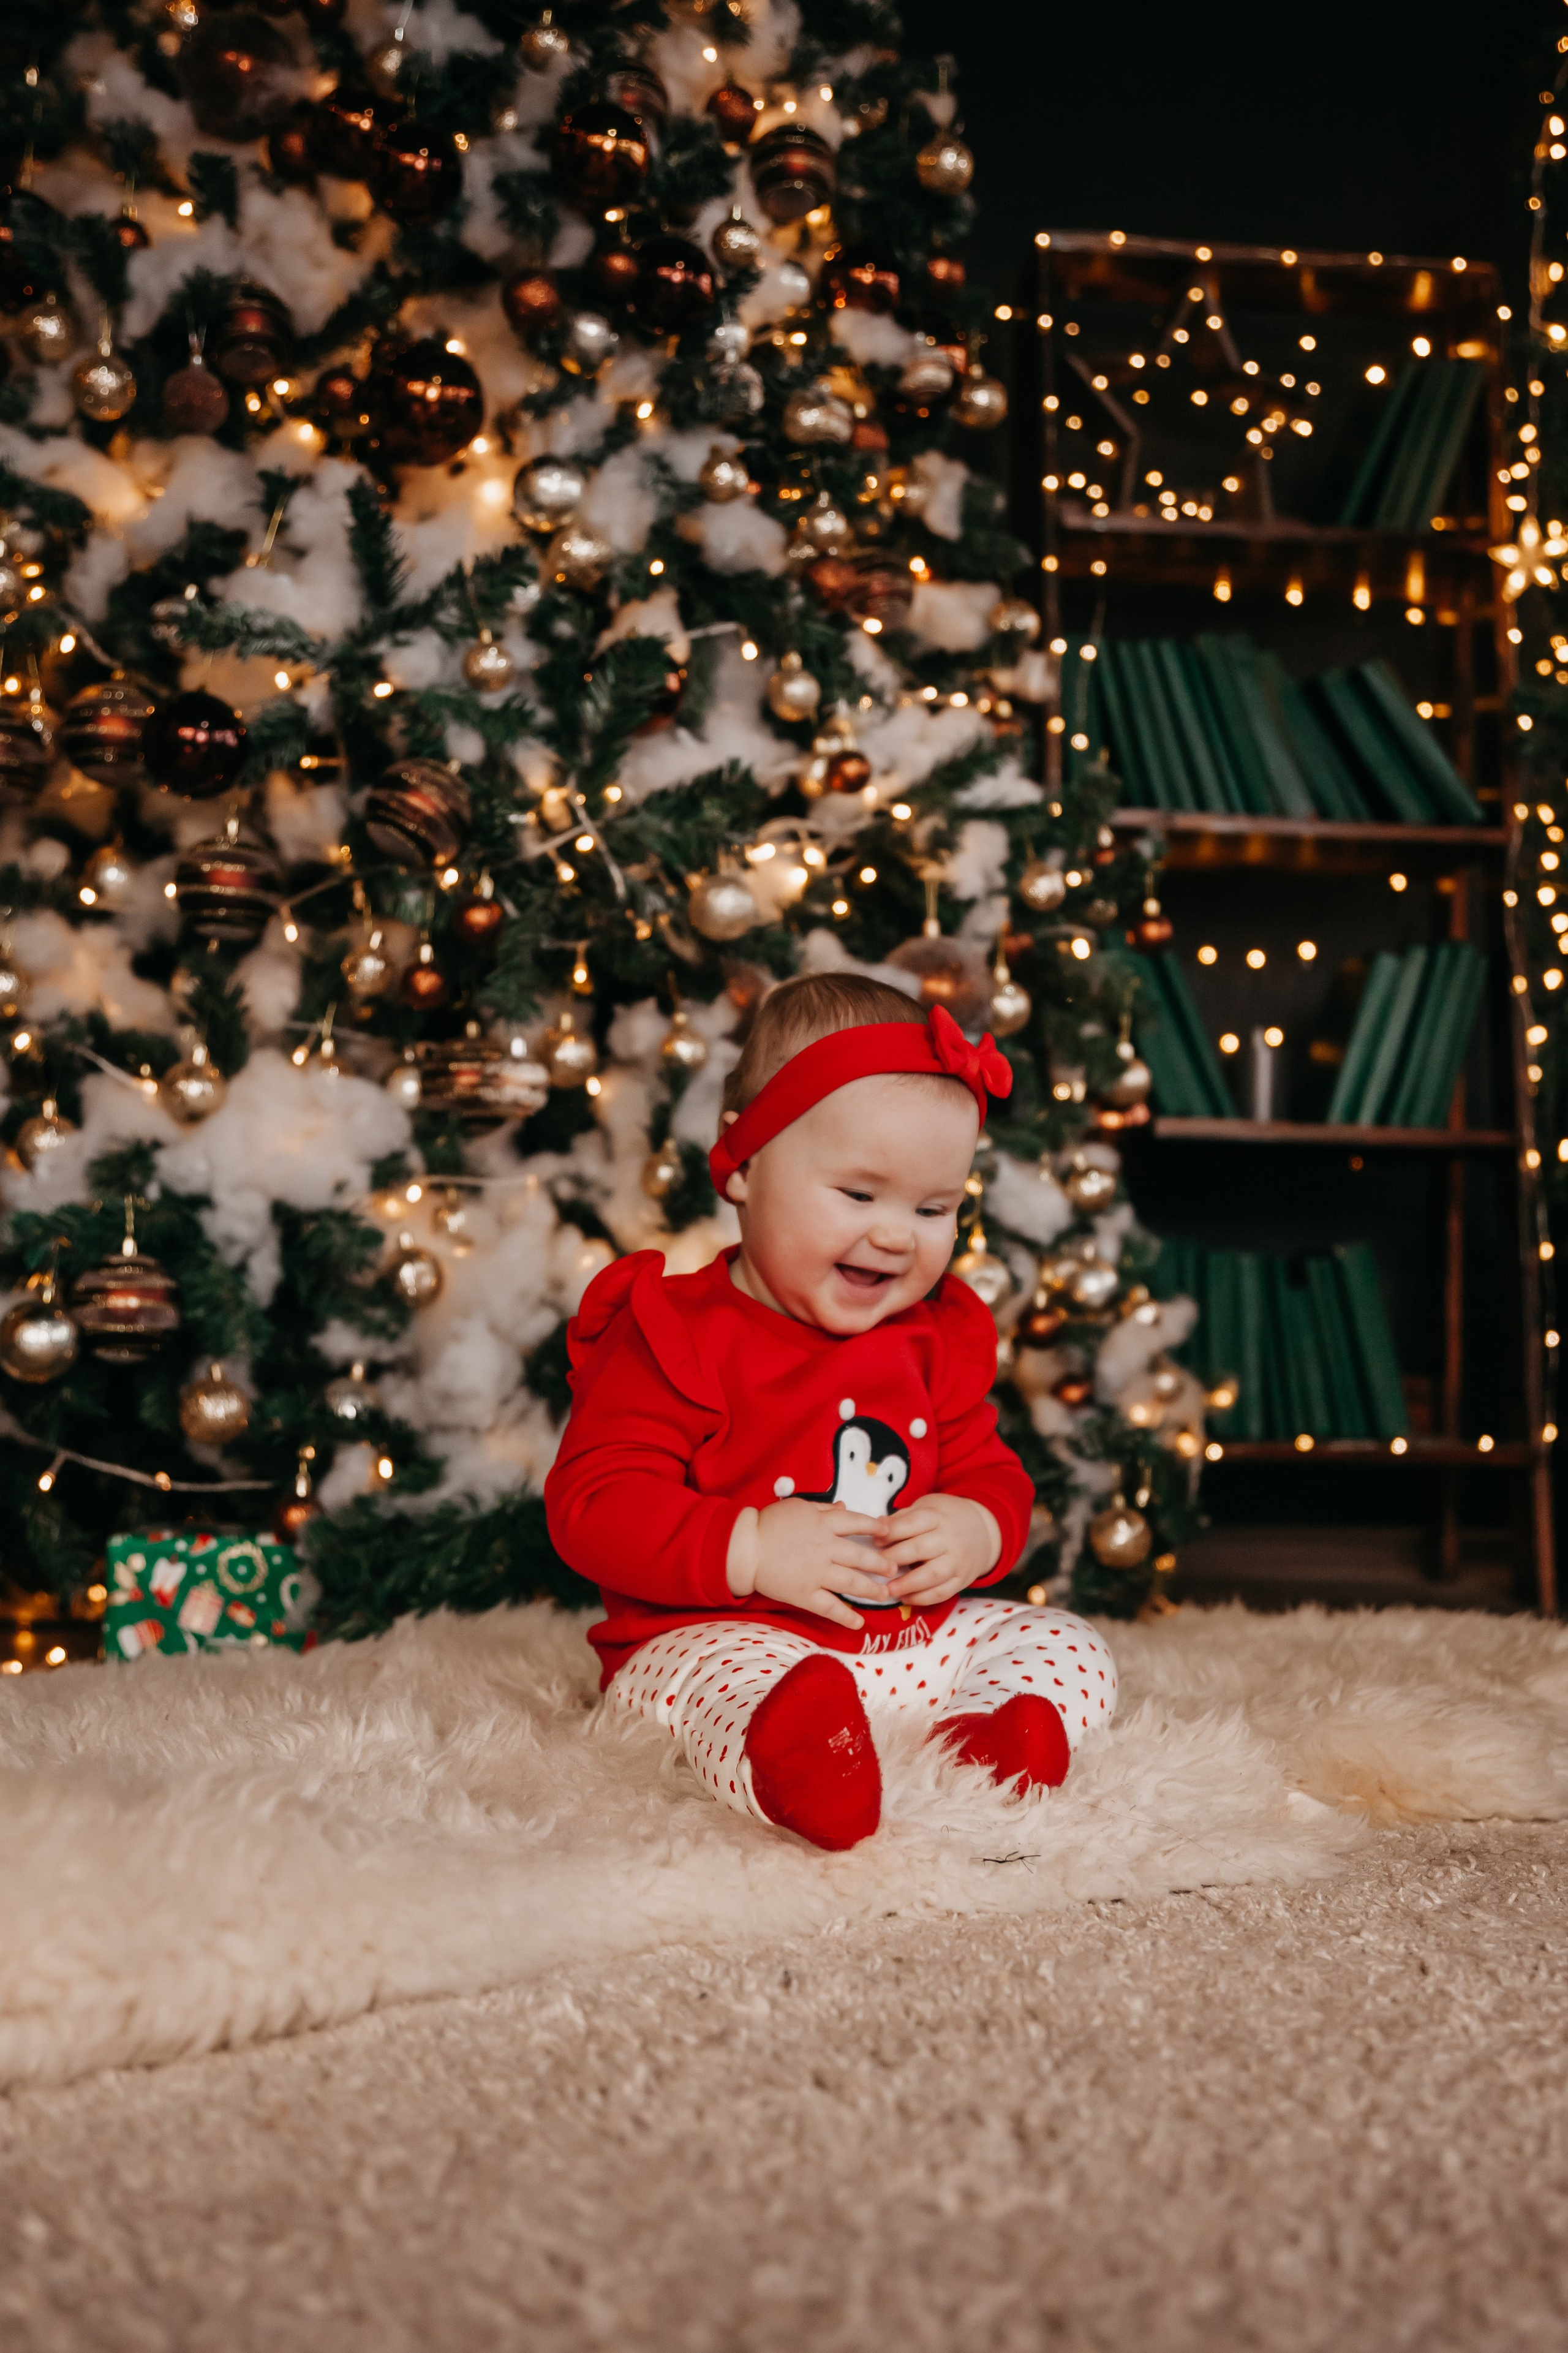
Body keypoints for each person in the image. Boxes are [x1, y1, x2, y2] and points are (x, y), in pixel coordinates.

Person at [545, 973, 1118, 1851]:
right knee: (718, 1693)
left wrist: (973, 1526)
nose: (897, 1235)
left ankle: (982, 1742)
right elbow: (594, 1504)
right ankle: (801, 1760)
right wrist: (751, 1547)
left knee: (1066, 1642)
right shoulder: (675, 1332)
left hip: (903, 1645)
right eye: (858, 1195)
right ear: (744, 1168)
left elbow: (989, 1469)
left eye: (934, 1209)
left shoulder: (932, 1336)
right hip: (723, 1640)